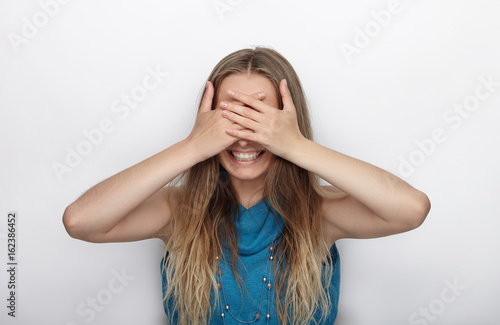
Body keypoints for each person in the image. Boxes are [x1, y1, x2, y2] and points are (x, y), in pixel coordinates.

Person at [63, 47, 431, 325]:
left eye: (261, 119)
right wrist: (191, 147)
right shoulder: (178, 213)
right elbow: (80, 221)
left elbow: (411, 209)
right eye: (229, 117)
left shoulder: (320, 214)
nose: (244, 137)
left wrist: (297, 145)